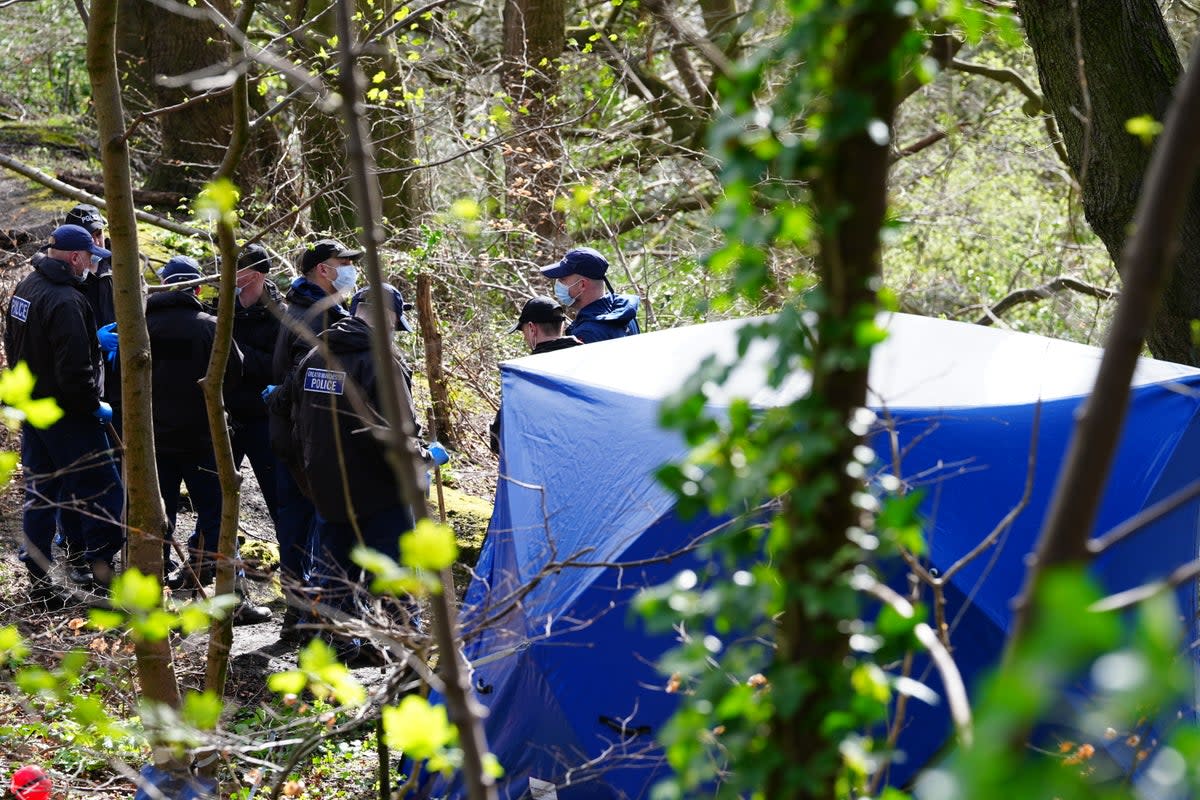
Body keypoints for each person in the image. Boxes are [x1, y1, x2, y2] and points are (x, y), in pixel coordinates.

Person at [289, 283, 427, 663]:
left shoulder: (315, 354)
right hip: (381, 493)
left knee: (334, 578)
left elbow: (296, 420)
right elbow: (401, 433)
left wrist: (312, 475)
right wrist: (423, 459)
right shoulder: (383, 361)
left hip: (328, 490)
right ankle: (411, 664)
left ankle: (326, 661)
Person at [3, 224, 124, 607]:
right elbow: (75, 371)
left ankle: (38, 578)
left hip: (34, 408)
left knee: (42, 493)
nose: (92, 264)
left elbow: (13, 345)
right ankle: (104, 578)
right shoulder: (67, 301)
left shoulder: (27, 287)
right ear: (75, 257)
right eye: (90, 257)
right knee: (105, 493)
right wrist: (93, 405)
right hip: (70, 416)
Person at [147, 256, 271, 625]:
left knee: (155, 520)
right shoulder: (211, 328)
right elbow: (233, 374)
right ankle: (231, 601)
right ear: (198, 288)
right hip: (204, 440)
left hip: (154, 444)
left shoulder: (140, 327)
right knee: (220, 518)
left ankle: (152, 602)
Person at [267, 237, 360, 639]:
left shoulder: (306, 308)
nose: (350, 270)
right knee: (317, 526)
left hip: (296, 435)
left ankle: (301, 611)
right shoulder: (318, 317)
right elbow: (312, 384)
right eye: (344, 263)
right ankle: (312, 616)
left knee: (299, 523)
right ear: (324, 269)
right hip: (308, 441)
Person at [220, 243, 283, 523]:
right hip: (226, 417)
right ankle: (208, 562)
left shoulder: (282, 317)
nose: (226, 274)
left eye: (236, 268)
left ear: (256, 275)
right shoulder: (221, 310)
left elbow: (280, 367)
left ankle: (293, 564)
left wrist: (239, 354)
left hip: (263, 419)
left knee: (278, 498)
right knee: (216, 496)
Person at [489, 295, 582, 454]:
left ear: (532, 328)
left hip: (544, 467)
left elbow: (499, 440)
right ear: (563, 324)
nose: (525, 337)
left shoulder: (524, 375)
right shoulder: (589, 357)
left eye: (523, 330)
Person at [540, 247, 640, 343]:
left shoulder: (587, 333)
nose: (557, 283)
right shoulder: (624, 311)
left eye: (562, 279)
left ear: (582, 285)